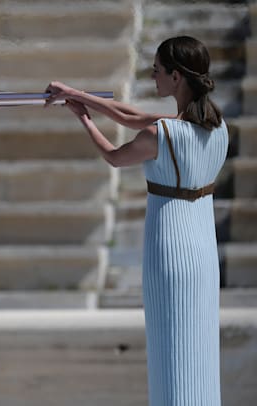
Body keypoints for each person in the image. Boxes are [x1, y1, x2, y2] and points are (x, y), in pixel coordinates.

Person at [45, 36, 227, 405]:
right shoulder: (216, 127)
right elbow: (129, 115)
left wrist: (82, 118)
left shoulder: (162, 134)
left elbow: (114, 156)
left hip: (171, 252)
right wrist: (77, 93)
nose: (152, 75)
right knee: (198, 353)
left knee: (171, 352)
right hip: (203, 251)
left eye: (158, 70)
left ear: (176, 77)